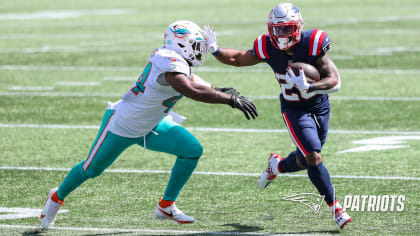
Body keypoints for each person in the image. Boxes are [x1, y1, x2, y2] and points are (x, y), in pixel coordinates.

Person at [40, 20, 258, 229]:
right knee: (91, 169)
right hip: (122, 125)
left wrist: (222, 90)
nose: (199, 50)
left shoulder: (178, 62)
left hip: (152, 126)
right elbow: (189, 89)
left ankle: (166, 206)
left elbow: (197, 82)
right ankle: (56, 197)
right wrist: (228, 100)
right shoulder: (168, 59)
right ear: (180, 43)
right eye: (196, 45)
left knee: (192, 150)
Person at [204, 3, 351, 229]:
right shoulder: (267, 46)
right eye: (277, 29)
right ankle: (336, 208)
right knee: (314, 156)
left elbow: (335, 81)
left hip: (320, 105)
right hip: (294, 109)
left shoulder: (312, 43)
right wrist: (215, 50)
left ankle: (276, 166)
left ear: (298, 26)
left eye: (286, 29)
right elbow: (238, 58)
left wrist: (311, 87)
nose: (281, 34)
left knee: (305, 161)